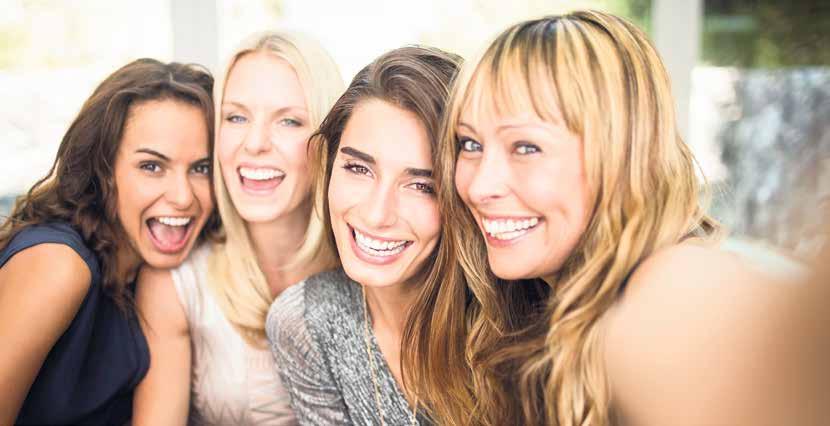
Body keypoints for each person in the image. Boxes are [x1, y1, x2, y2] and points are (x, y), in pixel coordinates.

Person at [403, 11, 829, 426]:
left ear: (620, 155)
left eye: (526, 147)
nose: (480, 186)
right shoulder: (532, 303)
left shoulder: (674, 285)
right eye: (470, 144)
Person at [132, 31, 344, 425]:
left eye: (289, 120)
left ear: (328, 139)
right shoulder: (177, 284)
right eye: (236, 117)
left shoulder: (367, 271)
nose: (255, 143)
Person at [0, 58, 216, 425]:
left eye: (202, 168)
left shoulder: (156, 274)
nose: (183, 197)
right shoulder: (59, 264)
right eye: (152, 166)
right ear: (102, 170)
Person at [266, 45, 461, 425]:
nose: (376, 214)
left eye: (422, 186)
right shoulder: (306, 322)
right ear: (329, 164)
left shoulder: (517, 326)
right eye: (358, 169)